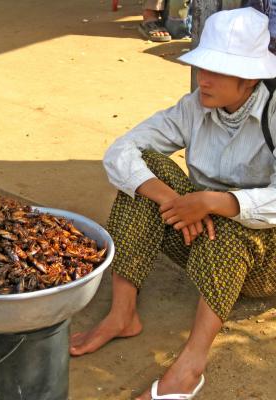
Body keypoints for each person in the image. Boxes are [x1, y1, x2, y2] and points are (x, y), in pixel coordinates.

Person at [70, 7, 276, 400]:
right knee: (144, 170)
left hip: (264, 258)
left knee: (229, 230)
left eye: (217, 71)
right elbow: (122, 150)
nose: (203, 80)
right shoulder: (194, 106)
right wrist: (174, 199)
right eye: (202, 67)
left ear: (250, 79)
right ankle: (122, 314)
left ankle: (189, 367)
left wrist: (217, 202)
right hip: (194, 231)